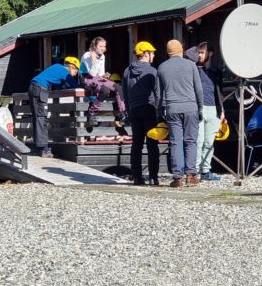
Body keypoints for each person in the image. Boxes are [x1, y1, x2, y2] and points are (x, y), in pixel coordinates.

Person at [155, 39, 204, 188]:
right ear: (181, 50)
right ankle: (190, 176)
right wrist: (200, 108)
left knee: (176, 142)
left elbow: (158, 94)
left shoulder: (162, 67)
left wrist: (160, 112)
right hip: (190, 108)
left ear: (168, 52)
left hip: (172, 108)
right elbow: (198, 89)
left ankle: (177, 178)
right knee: (191, 141)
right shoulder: (191, 65)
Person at [185, 42, 225, 181]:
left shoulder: (216, 71)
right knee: (199, 141)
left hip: (213, 109)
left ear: (210, 54)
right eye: (198, 53)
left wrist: (222, 110)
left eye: (202, 53)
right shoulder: (193, 69)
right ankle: (194, 170)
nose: (199, 55)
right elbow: (187, 53)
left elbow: (219, 92)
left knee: (209, 142)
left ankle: (206, 170)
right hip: (198, 109)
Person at [28, 56, 81, 158]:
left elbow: (59, 85)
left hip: (33, 88)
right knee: (41, 117)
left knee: (37, 117)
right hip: (40, 89)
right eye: (76, 71)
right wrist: (88, 91)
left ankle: (39, 146)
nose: (75, 74)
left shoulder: (57, 67)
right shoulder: (64, 72)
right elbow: (74, 85)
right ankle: (44, 148)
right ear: (71, 67)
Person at [123, 41, 159, 186]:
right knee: (152, 144)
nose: (154, 55)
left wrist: (128, 109)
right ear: (145, 54)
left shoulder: (127, 71)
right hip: (149, 109)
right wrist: (159, 111)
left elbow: (125, 94)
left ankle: (137, 177)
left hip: (134, 109)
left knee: (136, 144)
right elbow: (157, 93)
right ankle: (153, 177)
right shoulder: (152, 71)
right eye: (152, 53)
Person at [80, 36, 127, 127]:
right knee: (105, 90)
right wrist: (94, 60)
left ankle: (122, 113)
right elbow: (92, 73)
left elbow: (100, 73)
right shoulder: (87, 55)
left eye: (104, 46)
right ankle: (92, 113)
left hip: (97, 78)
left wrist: (105, 75)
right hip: (86, 78)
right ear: (95, 46)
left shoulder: (102, 56)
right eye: (101, 46)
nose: (103, 48)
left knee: (118, 88)